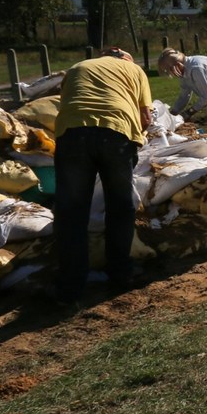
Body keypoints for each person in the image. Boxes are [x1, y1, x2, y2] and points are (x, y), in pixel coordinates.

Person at [53, 47, 152, 303]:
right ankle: (121, 273)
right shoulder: (134, 69)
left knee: (71, 211)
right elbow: (145, 119)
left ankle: (70, 286)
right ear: (126, 59)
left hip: (72, 134)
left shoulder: (78, 67)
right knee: (120, 206)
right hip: (116, 132)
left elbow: (66, 102)